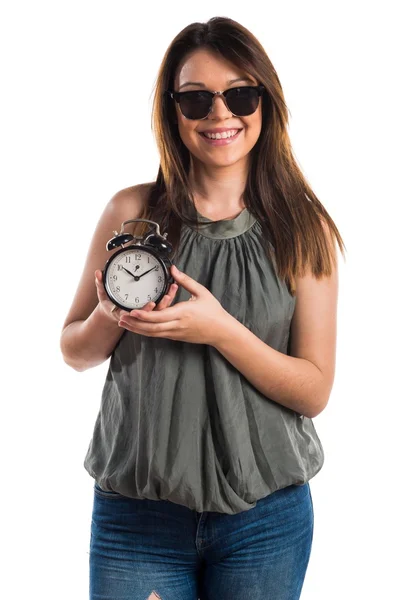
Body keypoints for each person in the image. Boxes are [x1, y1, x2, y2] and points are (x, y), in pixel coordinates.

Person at [60, 16, 345, 600]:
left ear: (265, 104)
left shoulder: (301, 229)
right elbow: (73, 350)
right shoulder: (131, 212)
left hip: (265, 520)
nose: (220, 115)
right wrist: (112, 313)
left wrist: (219, 331)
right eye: (196, 99)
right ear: (173, 111)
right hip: (137, 516)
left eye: (240, 95)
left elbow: (314, 390)